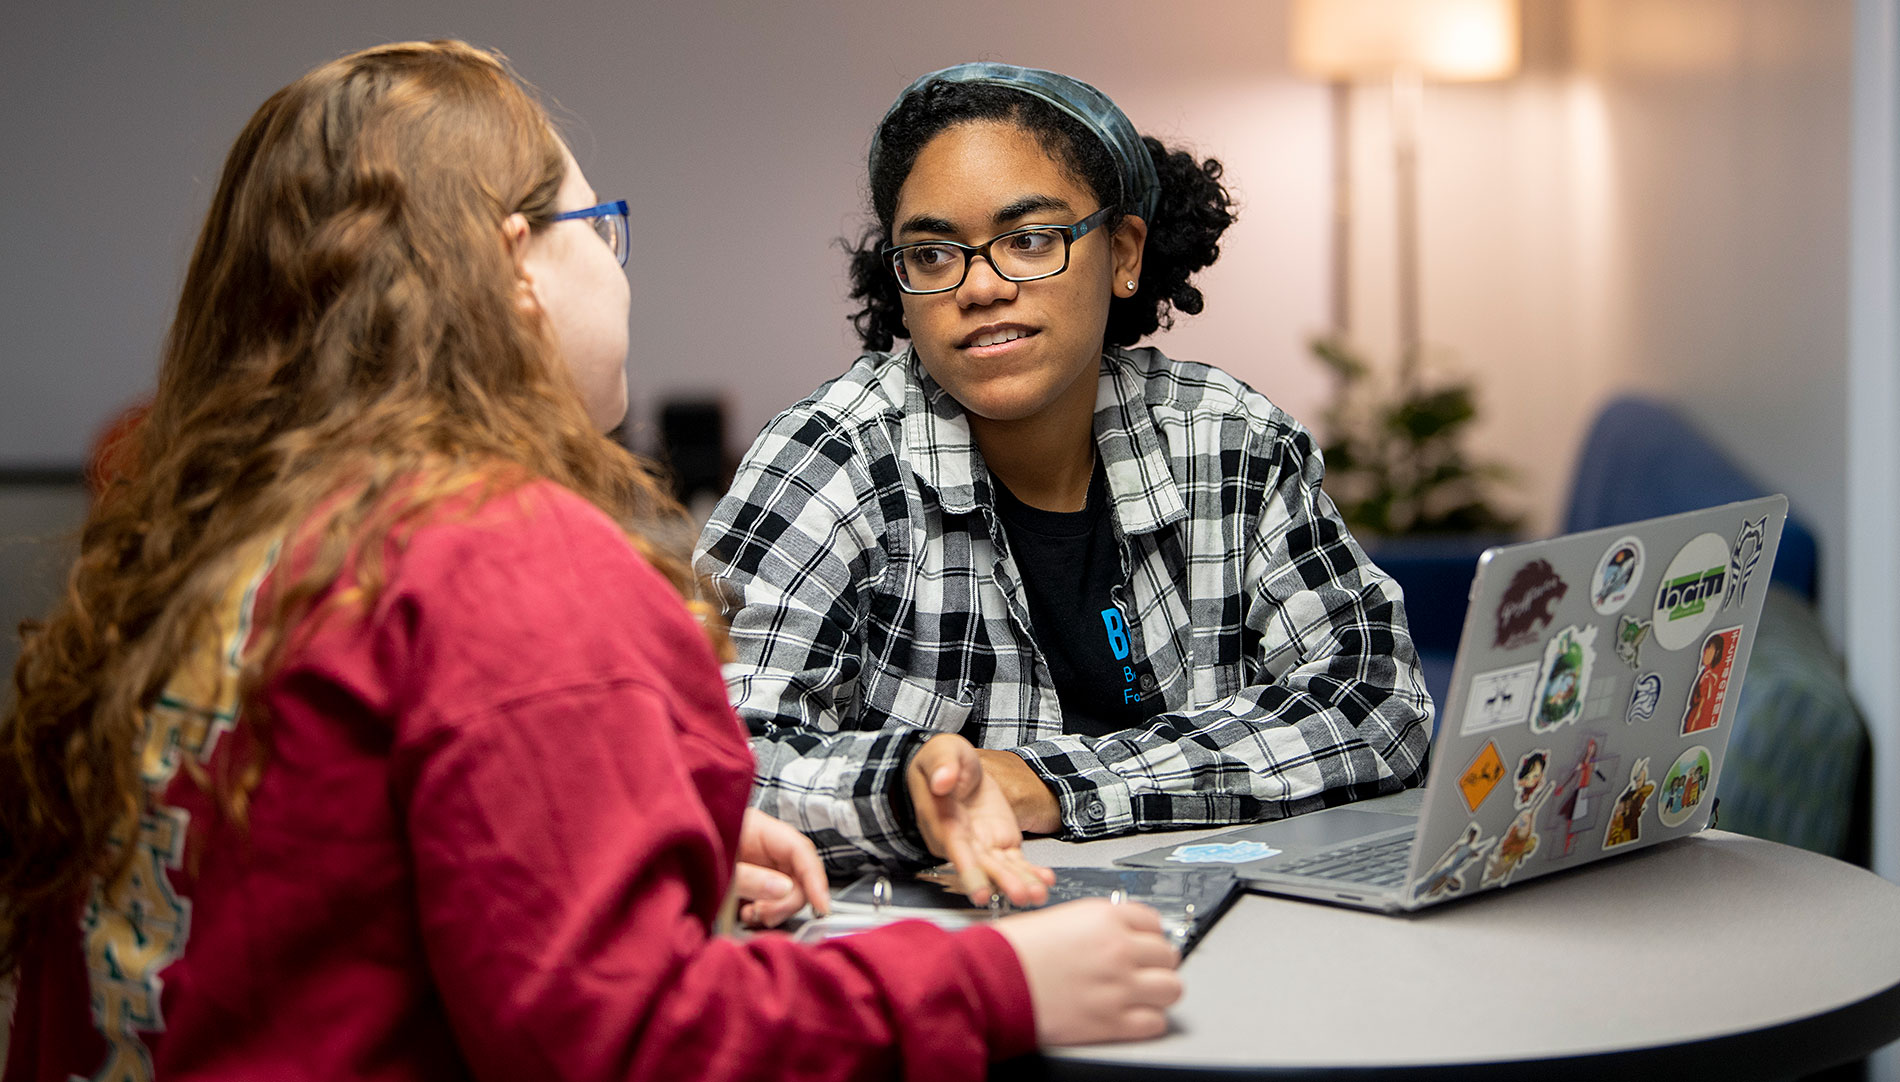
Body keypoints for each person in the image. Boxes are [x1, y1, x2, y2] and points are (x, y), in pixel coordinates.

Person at [0, 42, 1182, 1082]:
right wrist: (992, 984)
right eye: (598, 228)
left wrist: (659, 842)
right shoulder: (509, 559)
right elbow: (623, 1042)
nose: (618, 269)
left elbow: (316, 887)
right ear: (516, 266)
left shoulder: (212, 545)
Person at [696, 62, 1433, 896]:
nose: (980, 285)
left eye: (1030, 240)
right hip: (951, 941)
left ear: (1121, 252)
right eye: (933, 254)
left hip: (1242, 919)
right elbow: (714, 760)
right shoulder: (830, 459)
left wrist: (1043, 784)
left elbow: (1375, 701)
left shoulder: (1229, 442)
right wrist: (910, 794)